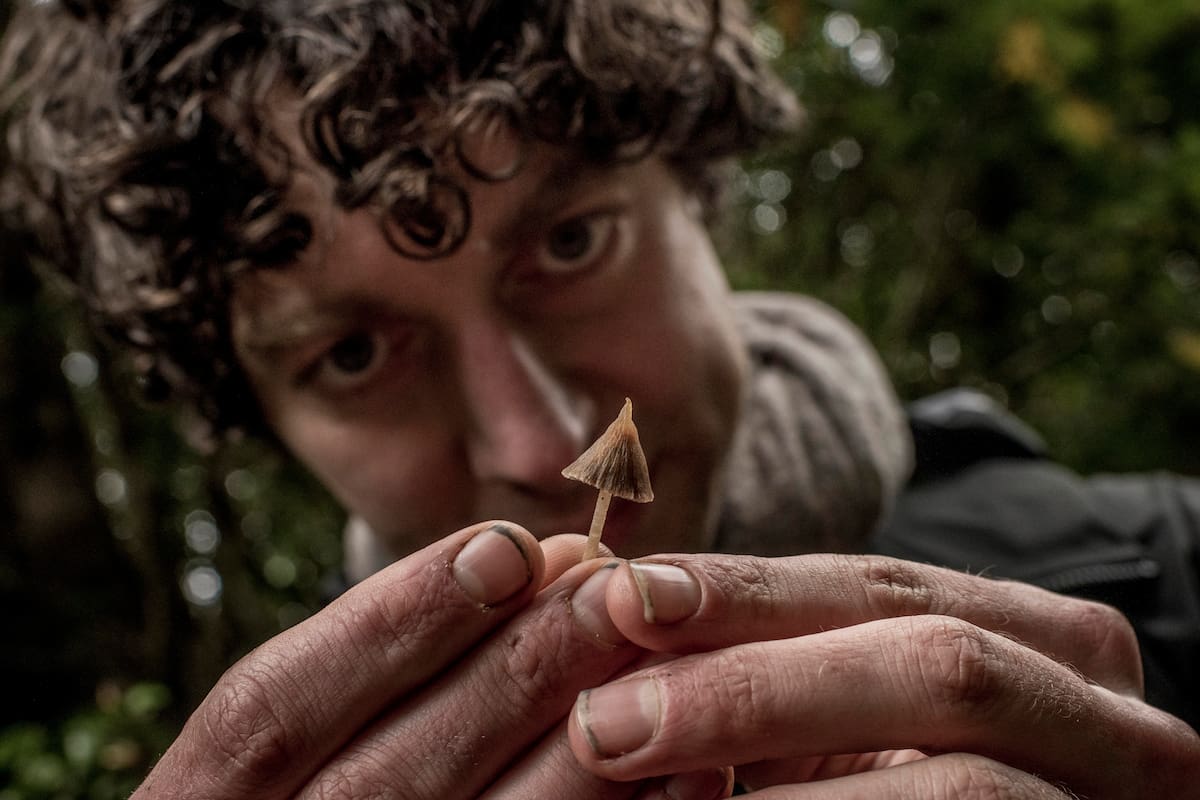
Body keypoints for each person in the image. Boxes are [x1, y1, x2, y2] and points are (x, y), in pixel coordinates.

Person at [2, 0, 1198, 797]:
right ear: (267, 422)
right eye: (355, 354)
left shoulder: (1175, 558)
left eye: (568, 242)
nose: (541, 439)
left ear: (701, 195)